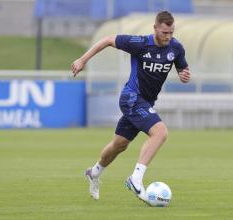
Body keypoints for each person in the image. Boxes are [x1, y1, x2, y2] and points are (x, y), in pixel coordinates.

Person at [71, 10, 191, 203]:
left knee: (119, 145)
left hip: (145, 102)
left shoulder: (176, 48)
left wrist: (185, 75)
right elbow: (108, 40)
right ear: (155, 28)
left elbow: (183, 70)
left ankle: (93, 173)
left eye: (171, 33)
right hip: (131, 98)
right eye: (164, 33)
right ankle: (136, 179)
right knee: (160, 132)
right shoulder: (140, 43)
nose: (168, 37)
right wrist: (82, 60)